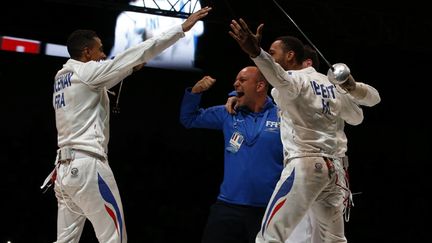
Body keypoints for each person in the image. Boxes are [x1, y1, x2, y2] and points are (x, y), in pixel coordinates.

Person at [40, 6, 211, 243]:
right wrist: (180, 29)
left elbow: (105, 78)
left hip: (64, 171)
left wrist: (129, 68)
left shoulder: (63, 76)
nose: (103, 55)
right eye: (100, 50)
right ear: (87, 52)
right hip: (88, 166)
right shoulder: (88, 72)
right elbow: (138, 51)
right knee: (115, 238)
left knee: (65, 240)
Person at [229, 18, 369, 243]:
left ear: (290, 56)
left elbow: (278, 76)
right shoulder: (331, 85)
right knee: (333, 240)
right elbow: (357, 117)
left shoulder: (294, 79)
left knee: (269, 237)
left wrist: (255, 52)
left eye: (273, 53)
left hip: (306, 166)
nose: (271, 57)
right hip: (335, 172)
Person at [179, 66, 284, 243]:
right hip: (228, 207)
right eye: (236, 80)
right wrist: (195, 92)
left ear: (260, 86)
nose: (236, 83)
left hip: (269, 209)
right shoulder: (229, 113)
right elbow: (189, 119)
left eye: (242, 80)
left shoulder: (283, 116)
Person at [109, 0, 205, 69]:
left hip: (182, 66)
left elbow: (199, 29)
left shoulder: (190, 2)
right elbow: (117, 52)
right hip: (145, 68)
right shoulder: (127, 16)